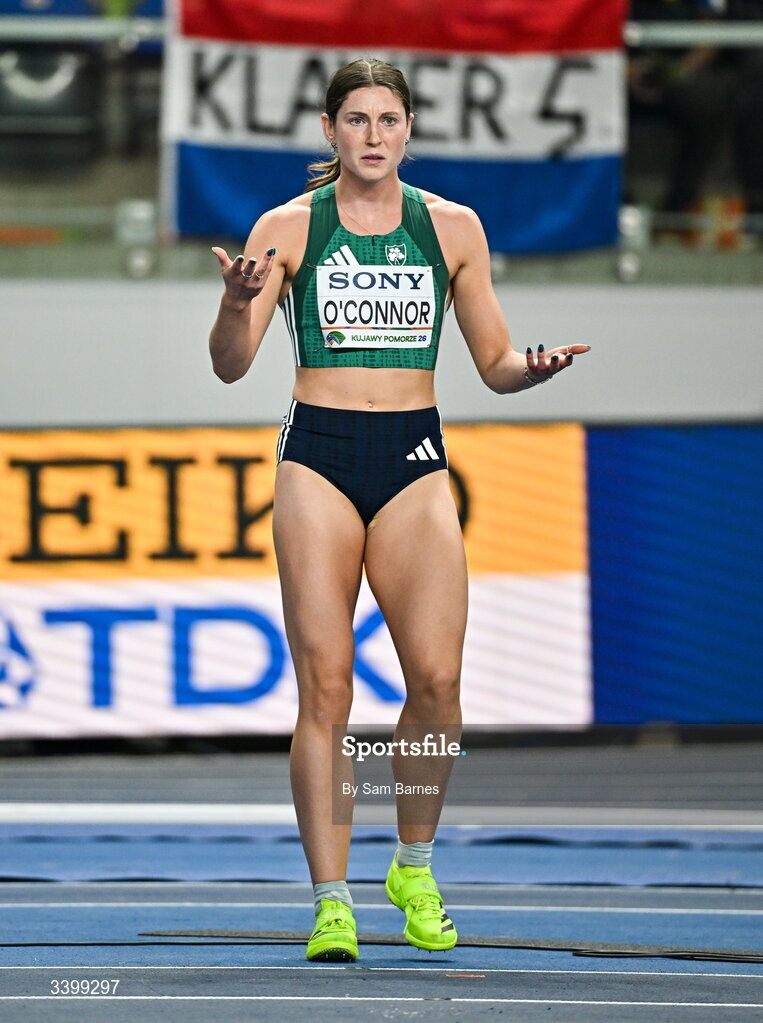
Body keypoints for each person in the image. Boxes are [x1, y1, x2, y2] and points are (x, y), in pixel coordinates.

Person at [209, 58, 590, 963]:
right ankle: (330, 898)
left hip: (415, 461)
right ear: (329, 131)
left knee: (437, 682)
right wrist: (233, 305)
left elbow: (492, 363)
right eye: (355, 119)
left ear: (409, 129)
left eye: (388, 119)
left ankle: (412, 863)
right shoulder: (287, 228)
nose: (372, 135)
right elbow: (230, 364)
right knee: (328, 689)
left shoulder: (452, 228)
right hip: (320, 461)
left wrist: (527, 368)